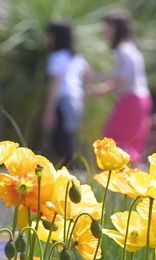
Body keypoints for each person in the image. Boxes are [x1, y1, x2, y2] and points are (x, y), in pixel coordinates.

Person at [92, 10, 152, 164]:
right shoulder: (130, 47)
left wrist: (99, 76)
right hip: (140, 98)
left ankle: (121, 173)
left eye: (107, 27)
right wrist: (105, 88)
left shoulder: (122, 50)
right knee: (132, 138)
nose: (105, 31)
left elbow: (122, 77)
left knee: (115, 136)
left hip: (131, 100)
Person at [42, 21, 90, 166]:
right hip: (77, 99)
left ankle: (70, 167)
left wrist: (49, 111)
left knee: (59, 139)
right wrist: (85, 92)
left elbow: (55, 86)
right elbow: (89, 75)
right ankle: (72, 166)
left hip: (63, 99)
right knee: (68, 136)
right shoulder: (76, 57)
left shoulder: (56, 57)